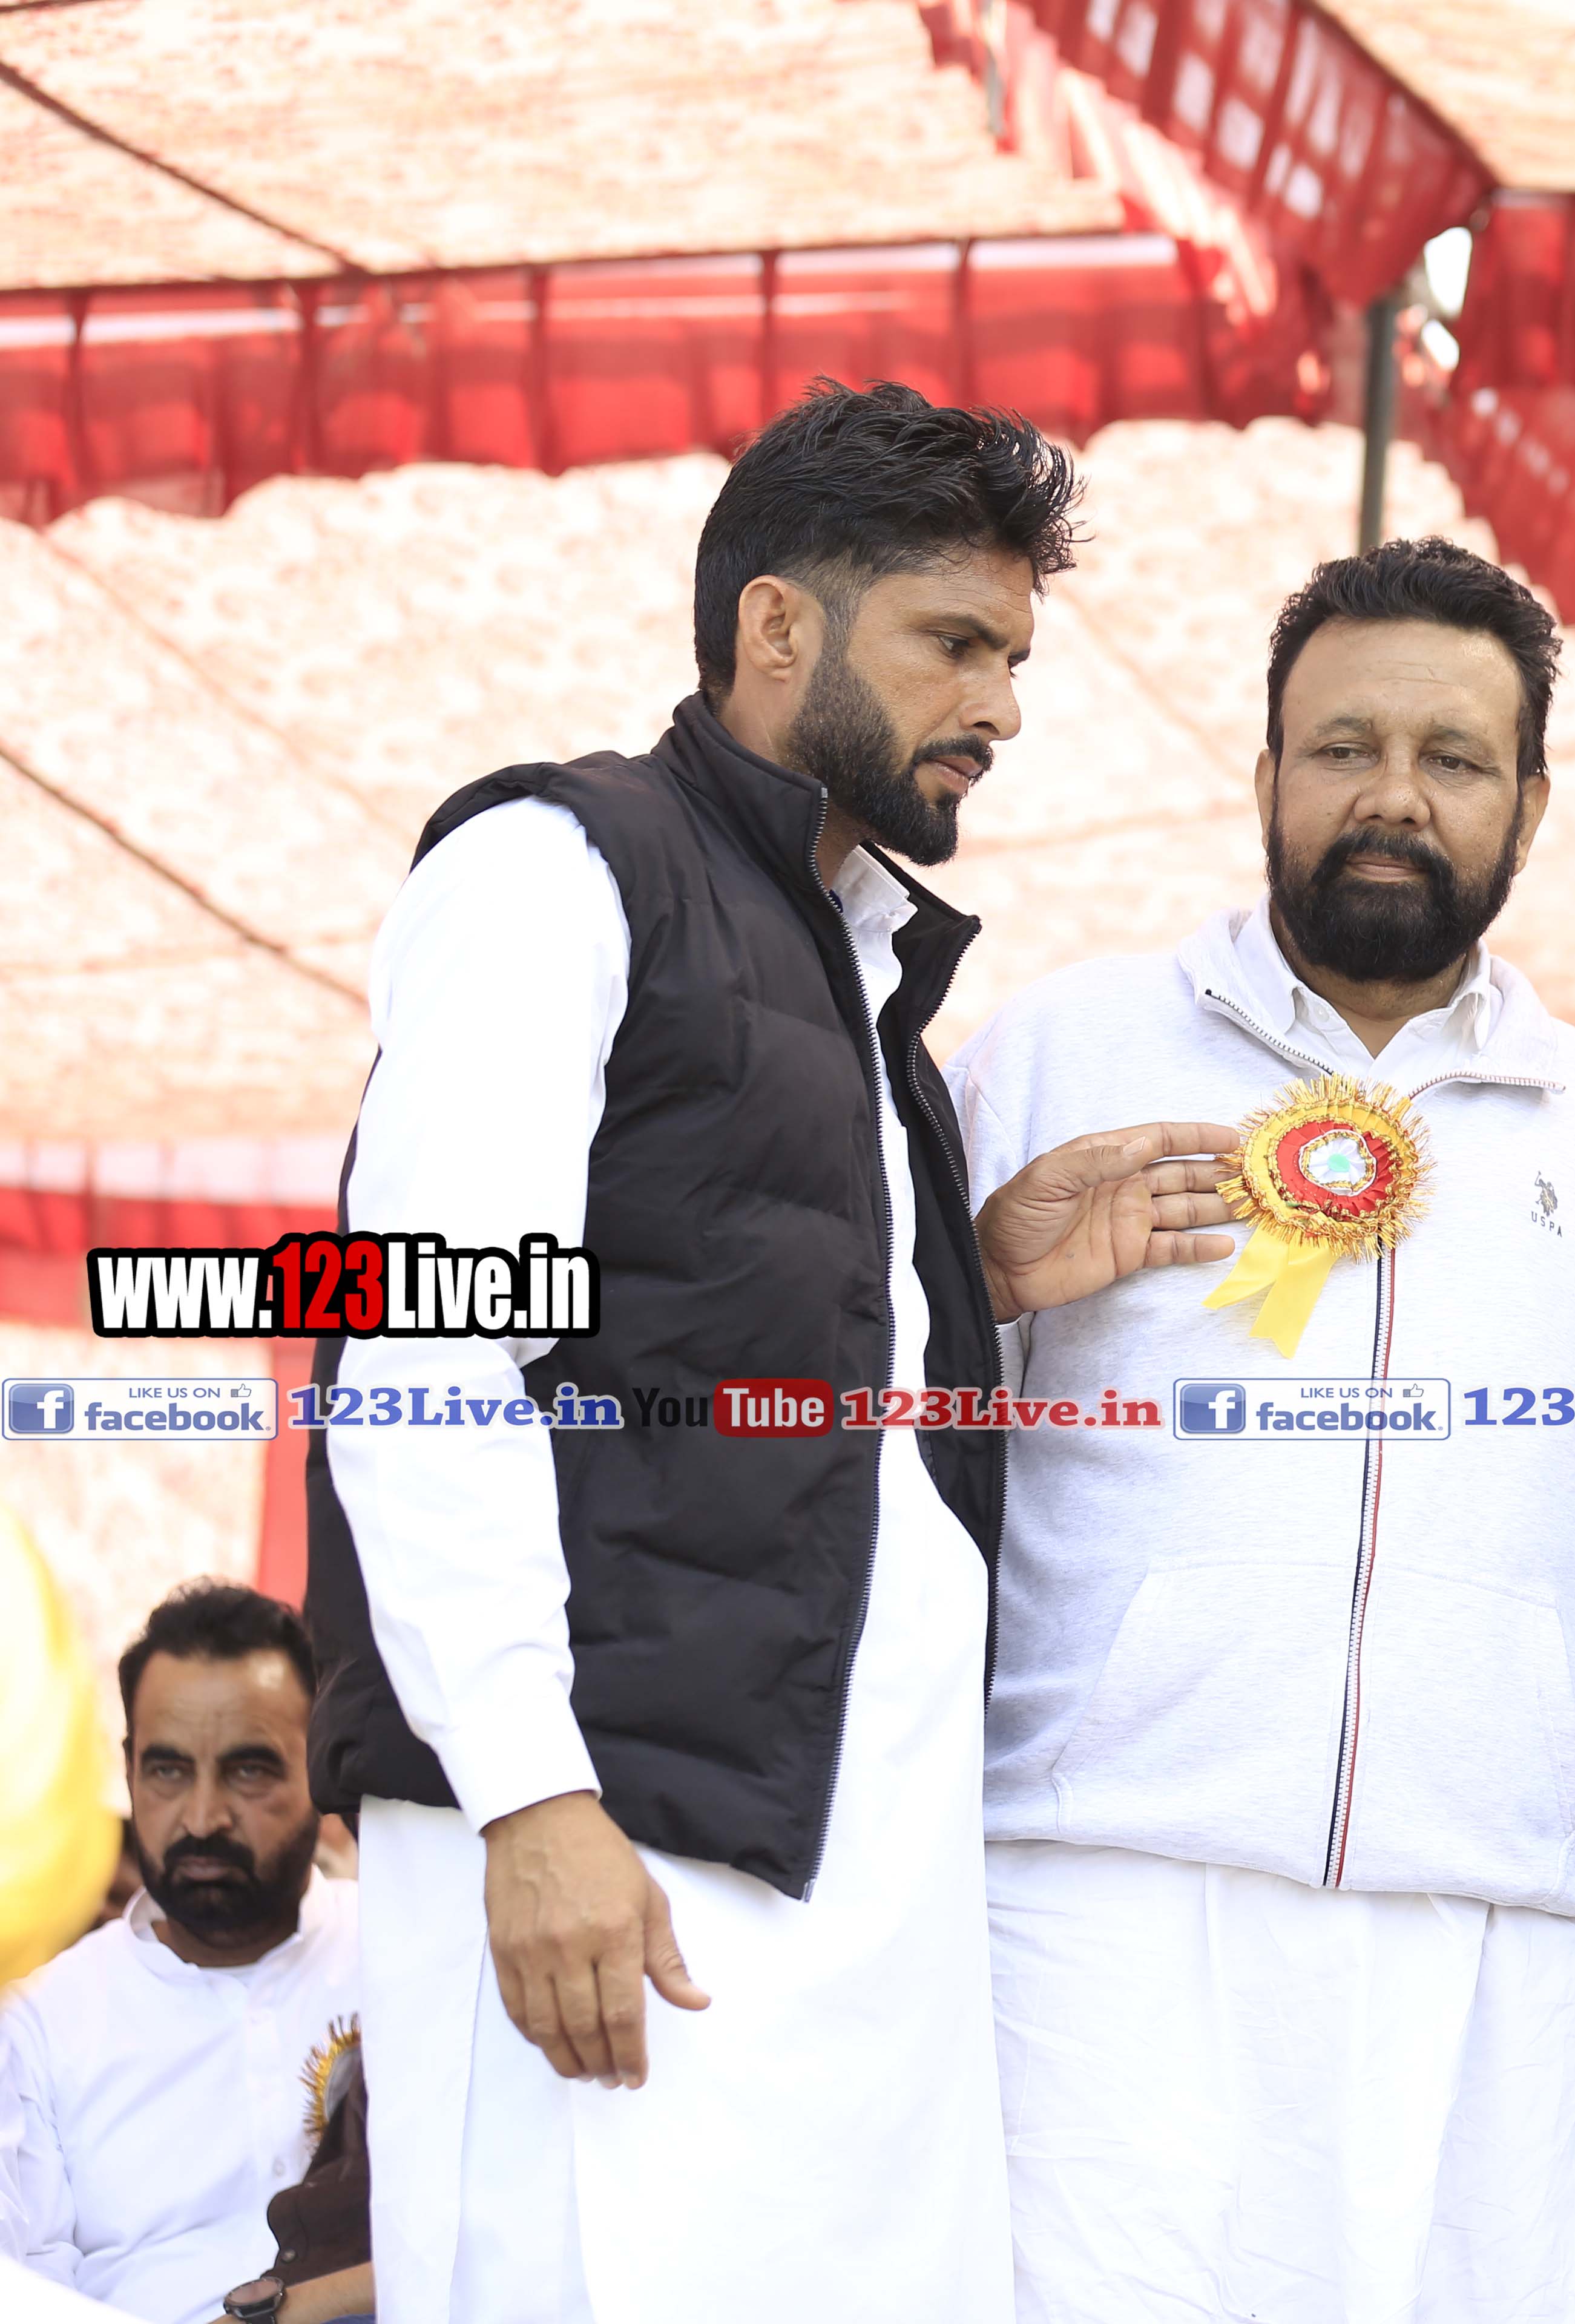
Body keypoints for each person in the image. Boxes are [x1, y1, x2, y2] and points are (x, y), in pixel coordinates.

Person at [306, 379, 1235, 2323]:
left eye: (1014, 655)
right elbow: (420, 1346)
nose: (1000, 705)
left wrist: (964, 1284)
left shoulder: (859, 974)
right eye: (954, 642)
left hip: (862, 1896)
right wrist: (530, 1795)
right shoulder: (561, 868)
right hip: (615, 1847)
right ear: (778, 626)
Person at [952, 535, 1575, 2322]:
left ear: (1529, 805)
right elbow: (894, 1465)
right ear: (1263, 775)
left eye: (1452, 757)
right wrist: (976, 1284)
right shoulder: (1050, 1059)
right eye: (1343, 747)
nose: (1392, 796)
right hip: (1091, 1912)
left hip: (1504, 1946)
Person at [2, 1586, 368, 2324]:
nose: (203, 1818)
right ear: (129, 1770)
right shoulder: (37, 2028)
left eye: (249, 1770)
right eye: (168, 1770)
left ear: (318, 1765)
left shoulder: (399, 1952)